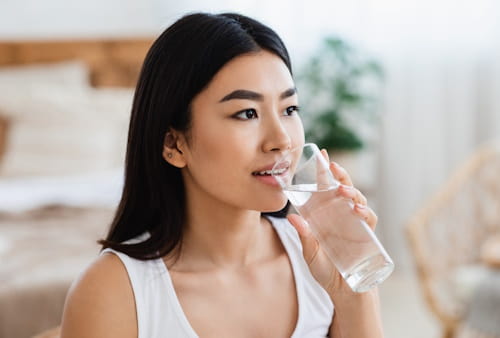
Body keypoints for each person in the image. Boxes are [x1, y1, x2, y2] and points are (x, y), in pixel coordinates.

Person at [60, 12, 384, 338]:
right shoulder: (113, 293)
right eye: (247, 113)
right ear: (174, 144)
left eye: (289, 109)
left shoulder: (318, 262)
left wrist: (354, 293)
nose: (282, 140)